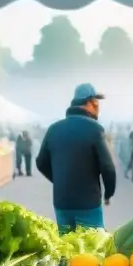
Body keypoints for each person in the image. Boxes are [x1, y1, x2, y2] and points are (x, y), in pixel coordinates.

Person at [36, 83, 116, 231]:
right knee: (92, 248)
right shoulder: (95, 129)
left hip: (62, 203)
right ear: (89, 103)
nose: (98, 106)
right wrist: (108, 193)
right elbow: (108, 167)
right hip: (88, 204)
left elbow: (41, 162)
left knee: (67, 248)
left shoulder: (53, 129)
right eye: (96, 102)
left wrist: (59, 180)